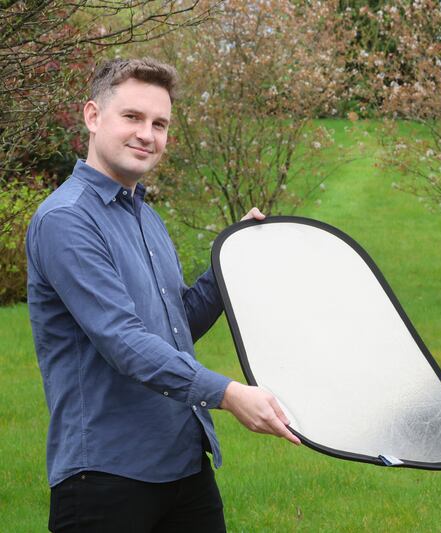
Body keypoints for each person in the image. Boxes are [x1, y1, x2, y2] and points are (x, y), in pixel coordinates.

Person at [26, 58, 300, 533]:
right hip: (106, 479)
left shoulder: (143, 215)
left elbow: (176, 327)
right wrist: (229, 394)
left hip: (184, 464)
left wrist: (229, 258)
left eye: (159, 124)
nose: (146, 135)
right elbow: (125, 342)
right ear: (93, 117)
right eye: (132, 117)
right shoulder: (66, 220)